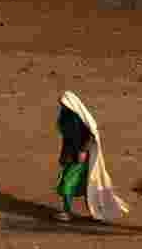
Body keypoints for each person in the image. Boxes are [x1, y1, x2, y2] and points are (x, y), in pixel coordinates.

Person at [54, 91, 129, 223]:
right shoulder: (66, 115)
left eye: (64, 104)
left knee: (68, 183)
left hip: (80, 158)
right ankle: (95, 212)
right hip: (70, 155)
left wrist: (83, 151)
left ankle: (67, 212)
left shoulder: (79, 118)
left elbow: (90, 134)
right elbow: (67, 137)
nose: (62, 106)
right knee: (84, 185)